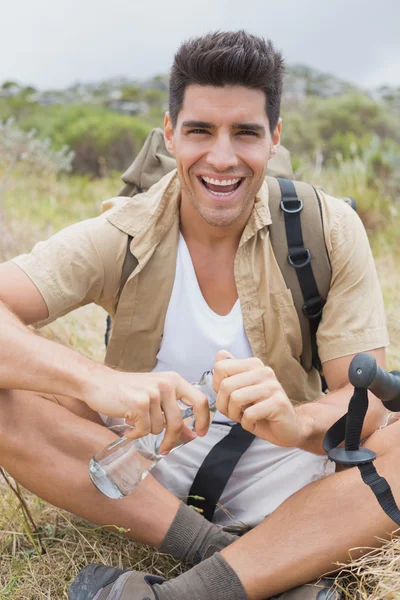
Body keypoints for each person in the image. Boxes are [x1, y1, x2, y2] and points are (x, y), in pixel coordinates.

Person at [0, 30, 396, 600]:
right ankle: (229, 558)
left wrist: (296, 424)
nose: (222, 157)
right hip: (144, 480)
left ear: (273, 137)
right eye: (200, 131)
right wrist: (102, 382)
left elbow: (364, 407)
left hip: (295, 479)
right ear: (170, 133)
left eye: (245, 133)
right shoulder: (124, 233)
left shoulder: (326, 229)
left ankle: (178, 592)